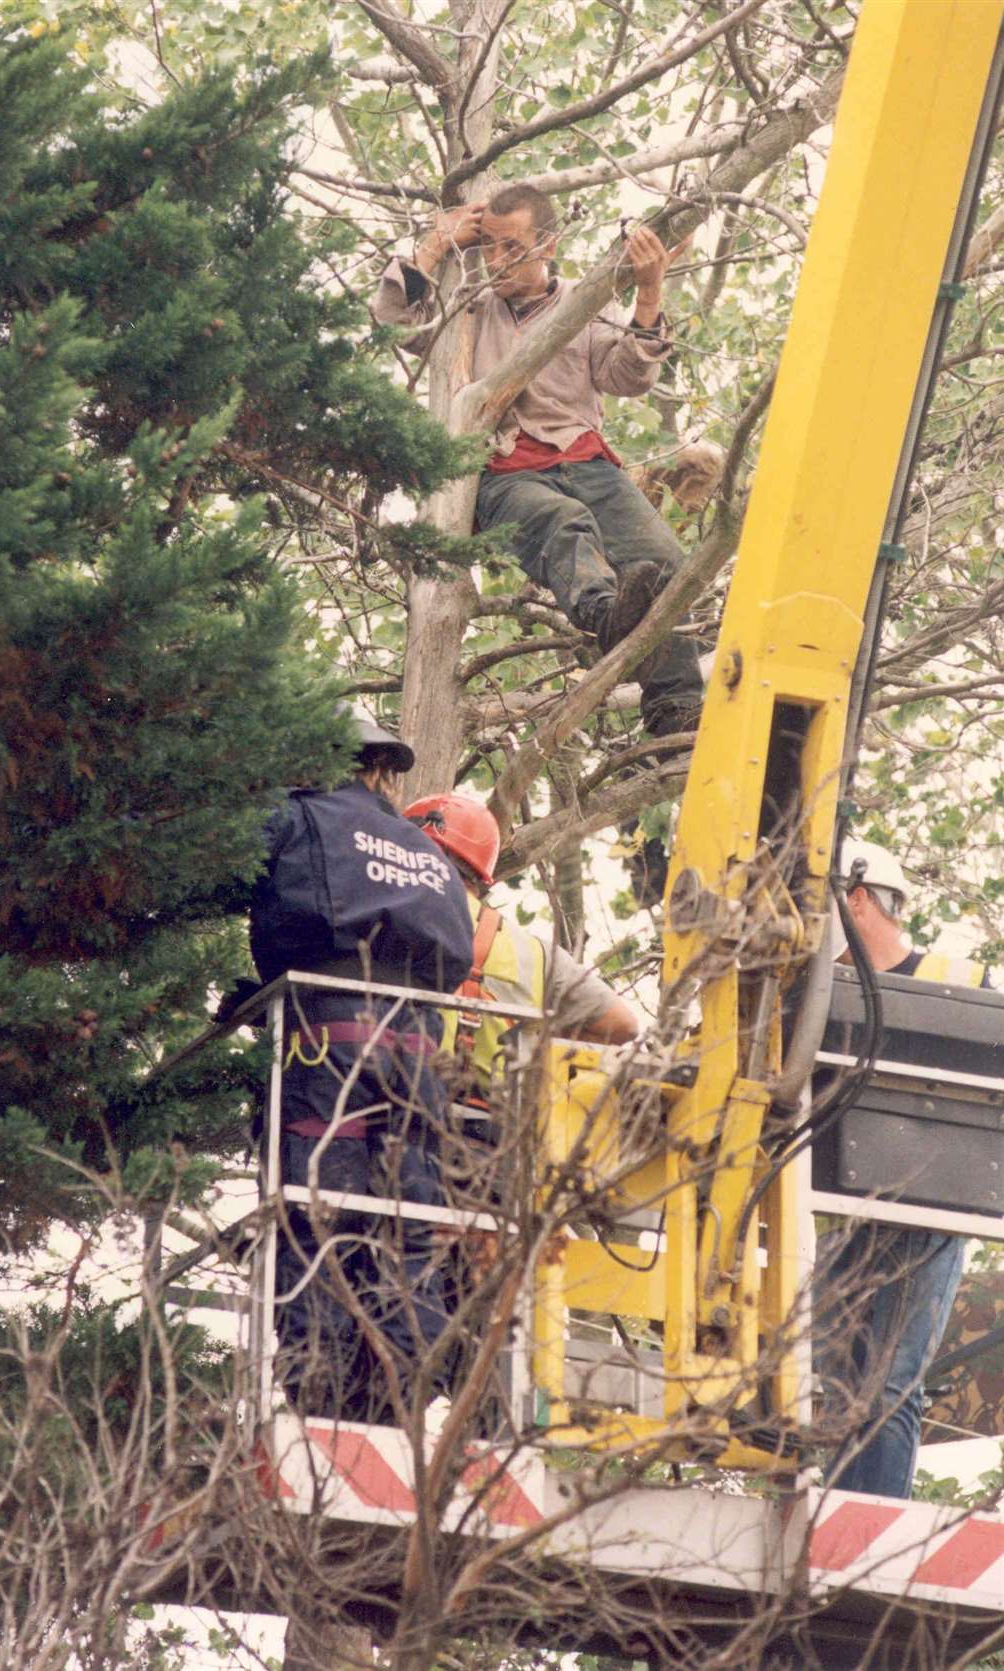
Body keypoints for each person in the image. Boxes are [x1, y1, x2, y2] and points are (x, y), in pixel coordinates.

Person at [373, 182, 703, 736]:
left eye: (512, 247)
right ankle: (604, 615)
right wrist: (435, 247)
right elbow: (394, 322)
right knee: (561, 524)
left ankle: (676, 706)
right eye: (489, 248)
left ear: (548, 245)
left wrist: (648, 296)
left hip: (585, 462)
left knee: (664, 557)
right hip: (506, 473)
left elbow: (628, 376)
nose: (497, 261)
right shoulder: (467, 306)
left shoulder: (584, 303)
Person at [249, 714, 474, 1423]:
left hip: (328, 1047)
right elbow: (455, 959)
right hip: (417, 1063)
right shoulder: (428, 852)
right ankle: (402, 1396)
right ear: (380, 768)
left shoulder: (296, 817)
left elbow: (213, 869)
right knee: (407, 1223)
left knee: (319, 1218)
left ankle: (318, 1388)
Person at [816, 838, 991, 1499]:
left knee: (888, 1383)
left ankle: (868, 1524)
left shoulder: (959, 978)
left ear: (856, 899)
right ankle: (830, 1512)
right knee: (831, 1375)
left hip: (931, 1212)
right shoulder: (822, 996)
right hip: (849, 1210)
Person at [403, 793, 640, 1103]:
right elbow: (622, 1025)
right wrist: (532, 1047)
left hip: (397, 1115)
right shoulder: (536, 953)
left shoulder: (386, 916)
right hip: (495, 1133)